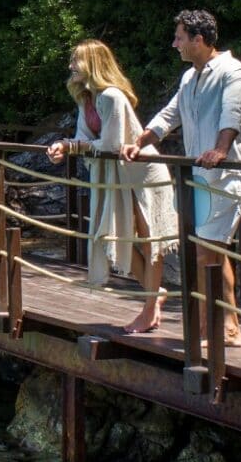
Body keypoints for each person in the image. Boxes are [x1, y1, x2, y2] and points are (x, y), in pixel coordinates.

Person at [123, 9, 241, 348]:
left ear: (198, 40)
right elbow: (171, 115)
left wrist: (220, 149)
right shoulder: (189, 78)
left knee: (205, 253)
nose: (174, 43)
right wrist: (140, 141)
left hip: (225, 176)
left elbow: (232, 114)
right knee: (214, 251)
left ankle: (206, 329)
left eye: (180, 37)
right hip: (198, 176)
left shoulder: (232, 71)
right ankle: (229, 328)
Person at [45, 40, 179, 334]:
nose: (71, 66)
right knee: (114, 235)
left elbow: (110, 144)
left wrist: (73, 146)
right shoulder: (87, 98)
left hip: (142, 174)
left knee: (149, 239)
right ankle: (154, 295)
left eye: (76, 61)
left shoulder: (112, 96)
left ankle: (148, 308)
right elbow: (83, 138)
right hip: (115, 176)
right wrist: (64, 147)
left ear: (93, 63)